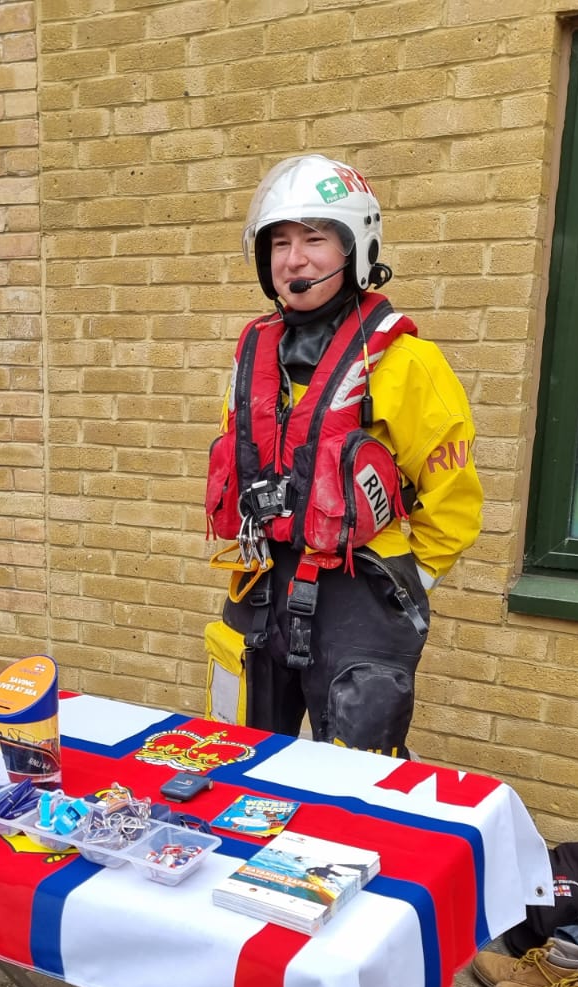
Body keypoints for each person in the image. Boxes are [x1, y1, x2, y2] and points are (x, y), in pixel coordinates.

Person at [206, 154, 483, 757]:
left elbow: (453, 502)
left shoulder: (408, 363)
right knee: (234, 762)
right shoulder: (253, 357)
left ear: (355, 249)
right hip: (260, 587)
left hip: (359, 597)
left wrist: (404, 587)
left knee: (356, 787)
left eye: (314, 240)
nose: (293, 259)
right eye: (279, 243)